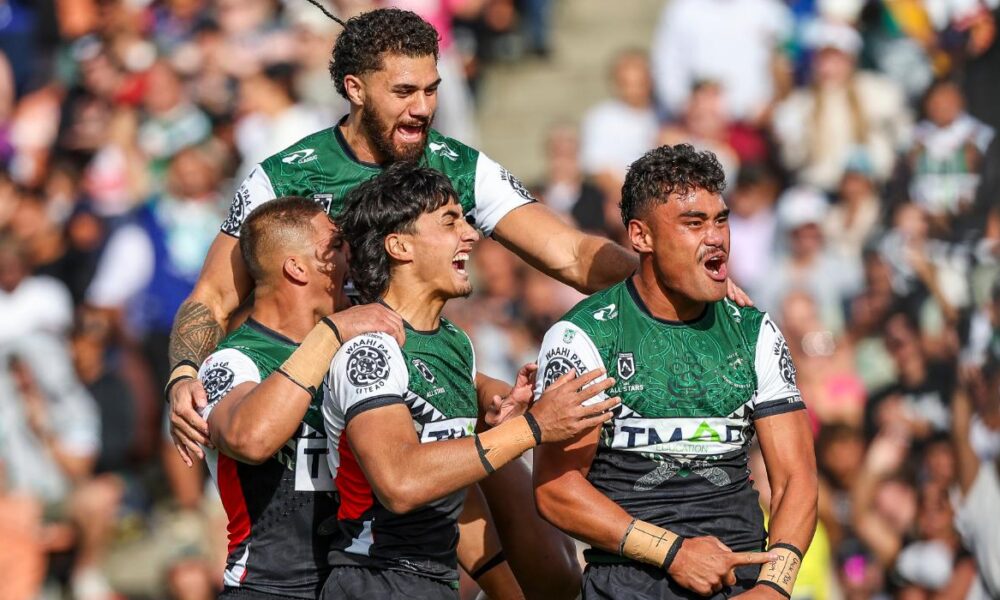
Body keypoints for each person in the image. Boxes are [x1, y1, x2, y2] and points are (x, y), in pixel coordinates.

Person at [165, 8, 747, 598]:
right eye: (404, 92)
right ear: (355, 89)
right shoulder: (286, 176)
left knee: (540, 556)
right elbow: (212, 296)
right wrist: (184, 371)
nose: (423, 107)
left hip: (419, 380)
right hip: (321, 394)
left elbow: (571, 254)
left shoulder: (456, 166)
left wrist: (675, 279)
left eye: (432, 89)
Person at [320, 162, 620, 599]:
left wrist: (504, 401)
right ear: (399, 245)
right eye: (450, 222)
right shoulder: (370, 349)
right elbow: (401, 482)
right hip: (373, 582)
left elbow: (454, 495)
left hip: (432, 583)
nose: (472, 235)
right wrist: (534, 427)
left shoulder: (454, 342)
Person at [532, 145, 818, 599]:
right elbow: (557, 489)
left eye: (720, 220)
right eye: (694, 223)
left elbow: (794, 479)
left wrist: (774, 586)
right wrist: (674, 552)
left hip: (742, 582)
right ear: (641, 236)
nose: (716, 238)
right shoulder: (585, 338)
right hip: (629, 585)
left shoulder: (754, 331)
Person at [195, 196, 405, 599]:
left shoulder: (359, 340)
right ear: (297, 267)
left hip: (360, 584)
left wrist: (491, 397)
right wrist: (329, 334)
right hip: (268, 589)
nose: (350, 254)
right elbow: (250, 438)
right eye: (336, 245)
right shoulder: (232, 360)